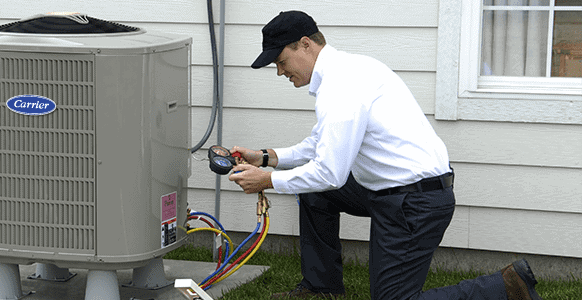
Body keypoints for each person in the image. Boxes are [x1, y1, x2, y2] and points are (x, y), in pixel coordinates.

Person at [227, 10, 543, 300]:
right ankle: (321, 287)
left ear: (305, 44)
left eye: (281, 61)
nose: (280, 72)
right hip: (392, 189)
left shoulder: (341, 85)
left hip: (414, 202)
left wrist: (266, 180)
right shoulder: (349, 69)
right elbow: (321, 144)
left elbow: (330, 173)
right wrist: (266, 158)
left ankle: (505, 287)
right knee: (316, 195)